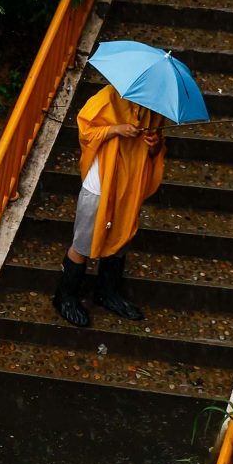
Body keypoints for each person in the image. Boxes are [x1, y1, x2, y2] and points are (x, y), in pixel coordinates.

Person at [55, 84, 166, 327]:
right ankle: (65, 297)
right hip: (101, 183)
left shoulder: (154, 110)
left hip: (130, 185)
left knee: (121, 239)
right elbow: (86, 132)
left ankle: (107, 293)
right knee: (83, 241)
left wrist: (154, 144)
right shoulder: (108, 97)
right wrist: (116, 129)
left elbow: (156, 151)